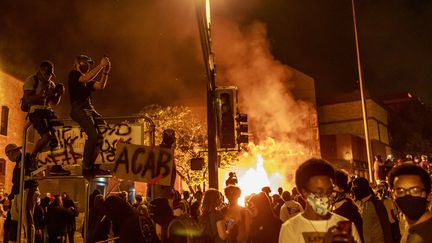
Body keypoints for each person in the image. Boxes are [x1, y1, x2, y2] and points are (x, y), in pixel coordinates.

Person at [279, 158, 361, 243]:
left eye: (329, 191)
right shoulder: (290, 229)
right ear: (304, 192)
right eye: (319, 192)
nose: (326, 197)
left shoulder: (345, 226)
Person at [23, 60, 70, 176]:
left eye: (50, 75)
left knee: (60, 133)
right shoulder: (32, 80)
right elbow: (27, 99)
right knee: (46, 136)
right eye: (47, 74)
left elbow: (54, 102)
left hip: (47, 111)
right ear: (42, 71)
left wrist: (58, 94)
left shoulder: (51, 84)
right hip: (36, 111)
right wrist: (42, 94)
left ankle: (56, 165)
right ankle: (32, 157)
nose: (49, 77)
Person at [68, 54, 111, 178]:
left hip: (89, 108)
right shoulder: (73, 74)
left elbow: (100, 86)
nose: (87, 66)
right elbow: (85, 79)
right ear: (77, 63)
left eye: (89, 64)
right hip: (79, 108)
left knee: (102, 134)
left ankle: (92, 167)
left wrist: (106, 72)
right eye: (85, 63)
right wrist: (101, 65)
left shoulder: (87, 79)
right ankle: (86, 167)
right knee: (93, 135)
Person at [388, 163, 432, 243]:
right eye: (400, 191)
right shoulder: (411, 229)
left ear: (428, 195)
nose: (407, 195)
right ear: (393, 195)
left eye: (415, 191)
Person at [5, 143, 39, 243]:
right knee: (14, 218)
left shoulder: (27, 157)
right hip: (18, 193)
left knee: (27, 218)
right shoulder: (18, 163)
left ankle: (29, 241)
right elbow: (16, 182)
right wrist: (11, 197)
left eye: (7, 155)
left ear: (11, 152)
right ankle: (14, 240)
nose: (8, 158)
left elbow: (33, 174)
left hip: (27, 189)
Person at [351, 176, 393, 243]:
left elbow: (385, 226)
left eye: (355, 186)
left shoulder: (376, 203)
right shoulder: (360, 204)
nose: (353, 189)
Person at [331, 170, 364, 243]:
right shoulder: (335, 207)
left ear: (341, 188)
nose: (330, 189)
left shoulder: (346, 209)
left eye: (333, 185)